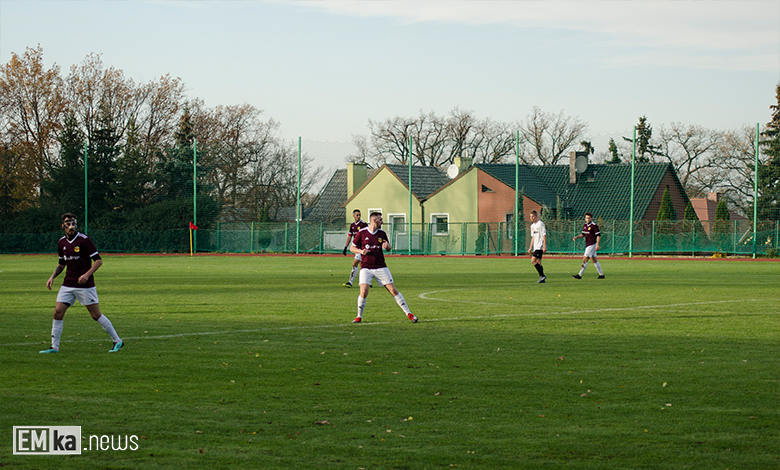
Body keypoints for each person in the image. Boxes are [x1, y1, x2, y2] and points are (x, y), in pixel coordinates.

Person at [40, 213, 123, 354]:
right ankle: (54, 347)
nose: (71, 226)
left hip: (85, 285)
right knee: (57, 312)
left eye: (73, 223)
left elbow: (98, 261)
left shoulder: (84, 240)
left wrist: (87, 274)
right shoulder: (61, 242)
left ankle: (117, 340)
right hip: (68, 283)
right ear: (63, 226)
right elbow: (62, 263)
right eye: (68, 223)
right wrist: (52, 276)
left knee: (95, 315)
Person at [349, 212, 417, 324]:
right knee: (364, 291)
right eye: (380, 220)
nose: (382, 222)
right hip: (366, 267)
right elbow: (352, 248)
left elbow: (389, 247)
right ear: (374, 221)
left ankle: (409, 313)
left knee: (393, 290)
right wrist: (361, 251)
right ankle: (358, 316)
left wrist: (387, 247)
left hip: (381, 266)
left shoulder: (382, 233)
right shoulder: (362, 233)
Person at [572, 212, 605, 279]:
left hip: (592, 244)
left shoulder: (594, 226)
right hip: (588, 244)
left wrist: (597, 245)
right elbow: (583, 234)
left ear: (591, 218)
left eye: (589, 218)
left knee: (585, 258)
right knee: (594, 259)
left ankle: (579, 275)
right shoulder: (585, 225)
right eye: (586, 218)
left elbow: (598, 235)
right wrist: (577, 237)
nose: (587, 219)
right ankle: (601, 275)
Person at [342, 209, 368, 288]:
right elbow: (349, 236)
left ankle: (350, 282)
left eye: (359, 215)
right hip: (357, 248)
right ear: (353, 216)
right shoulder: (352, 225)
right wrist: (346, 247)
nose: (358, 216)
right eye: (357, 215)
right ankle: (367, 282)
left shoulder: (363, 224)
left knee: (355, 264)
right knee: (363, 265)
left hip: (362, 248)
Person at [527, 210, 547, 283]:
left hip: (540, 246)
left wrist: (544, 246)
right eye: (530, 216)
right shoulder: (532, 226)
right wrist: (530, 247)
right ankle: (542, 278)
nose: (531, 218)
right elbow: (533, 237)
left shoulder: (540, 224)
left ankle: (542, 276)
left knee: (533, 260)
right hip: (536, 247)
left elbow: (544, 235)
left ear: (536, 216)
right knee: (538, 262)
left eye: (533, 216)